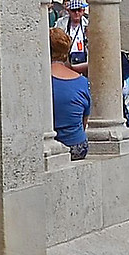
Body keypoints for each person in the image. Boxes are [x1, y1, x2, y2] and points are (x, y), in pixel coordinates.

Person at [49, 27, 90, 159]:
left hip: (53, 146)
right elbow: (84, 120)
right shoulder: (82, 81)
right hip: (77, 145)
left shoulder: (40, 80)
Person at [63, 0, 89, 66]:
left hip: (85, 60)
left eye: (79, 10)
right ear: (68, 11)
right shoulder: (61, 23)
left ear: (83, 11)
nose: (76, 13)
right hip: (67, 60)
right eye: (73, 10)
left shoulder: (88, 24)